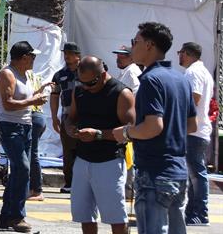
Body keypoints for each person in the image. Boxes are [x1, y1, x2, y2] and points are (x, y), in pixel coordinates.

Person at [111, 22, 197, 234]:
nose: (133, 47)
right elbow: (191, 125)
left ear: (149, 45)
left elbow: (153, 126)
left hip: (154, 172)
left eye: (136, 42)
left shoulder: (150, 79)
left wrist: (125, 133)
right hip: (177, 171)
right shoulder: (181, 79)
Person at [65, 56, 135, 234]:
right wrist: (70, 128)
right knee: (85, 216)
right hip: (83, 159)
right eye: (83, 82)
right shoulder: (80, 91)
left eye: (91, 83)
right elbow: (70, 117)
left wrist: (98, 134)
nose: (87, 87)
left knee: (116, 218)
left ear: (103, 74)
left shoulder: (121, 93)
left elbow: (131, 131)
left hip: (109, 161)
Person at [0, 41, 51, 233]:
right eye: (32, 56)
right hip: (10, 126)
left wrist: (38, 93)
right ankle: (17, 216)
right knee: (22, 169)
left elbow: (23, 98)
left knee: (19, 171)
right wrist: (33, 100)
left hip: (25, 126)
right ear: (24, 57)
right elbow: (9, 103)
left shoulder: (25, 75)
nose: (34, 60)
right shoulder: (7, 74)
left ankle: (5, 216)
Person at [177, 41, 212, 226]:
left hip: (194, 131)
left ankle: (200, 213)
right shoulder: (201, 70)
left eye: (180, 53)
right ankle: (194, 213)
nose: (179, 57)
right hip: (198, 130)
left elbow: (194, 98)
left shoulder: (193, 72)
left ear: (187, 53)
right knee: (194, 173)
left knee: (196, 174)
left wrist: (177, 119)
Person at [50, 41, 82, 193]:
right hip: (67, 115)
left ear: (78, 56)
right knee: (68, 151)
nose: (67, 56)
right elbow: (55, 95)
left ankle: (84, 182)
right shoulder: (59, 75)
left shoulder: (87, 70)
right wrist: (54, 116)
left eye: (70, 53)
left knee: (84, 149)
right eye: (65, 53)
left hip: (86, 115)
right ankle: (70, 182)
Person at [26, 68, 46, 201]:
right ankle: (33, 189)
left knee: (31, 154)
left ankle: (36, 190)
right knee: (32, 153)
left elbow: (27, 96)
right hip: (38, 116)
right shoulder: (35, 76)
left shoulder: (23, 77)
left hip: (32, 115)